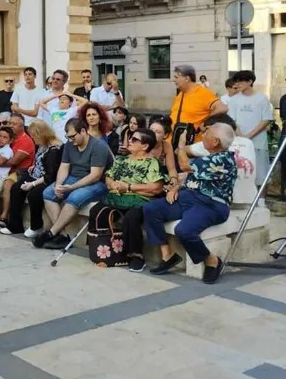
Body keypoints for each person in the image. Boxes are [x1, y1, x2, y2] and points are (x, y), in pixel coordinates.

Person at [143, 122, 237, 284]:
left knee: (184, 231)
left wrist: (181, 145)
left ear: (215, 141)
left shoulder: (223, 160)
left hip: (211, 205)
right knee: (151, 209)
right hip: (188, 197)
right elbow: (192, 177)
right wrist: (176, 188)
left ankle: (211, 261)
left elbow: (185, 166)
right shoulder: (208, 157)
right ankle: (168, 256)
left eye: (206, 135)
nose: (203, 137)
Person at [88, 128, 165, 272]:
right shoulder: (122, 160)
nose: (129, 141)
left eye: (134, 139)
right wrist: (112, 184)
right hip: (117, 197)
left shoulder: (152, 163)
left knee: (131, 218)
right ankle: (103, 249)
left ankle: (136, 256)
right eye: (130, 138)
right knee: (97, 211)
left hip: (140, 199)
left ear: (145, 146)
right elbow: (109, 176)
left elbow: (156, 188)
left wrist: (128, 187)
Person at [34, 118, 110, 249]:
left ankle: (51, 233)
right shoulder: (69, 145)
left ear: (83, 131)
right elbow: (64, 167)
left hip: (97, 182)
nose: (70, 140)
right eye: (67, 137)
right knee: (48, 193)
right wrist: (59, 185)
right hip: (73, 177)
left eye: (73, 136)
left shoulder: (99, 146)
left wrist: (71, 188)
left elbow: (95, 175)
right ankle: (62, 236)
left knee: (74, 198)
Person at [3, 120, 62, 237]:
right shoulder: (42, 144)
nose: (33, 139)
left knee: (34, 194)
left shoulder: (54, 149)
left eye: (34, 136)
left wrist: (33, 184)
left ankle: (36, 226)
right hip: (35, 174)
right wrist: (34, 166)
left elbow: (50, 175)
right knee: (15, 188)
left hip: (47, 179)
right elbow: (41, 160)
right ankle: (15, 225)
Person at [228, 70, 273, 186]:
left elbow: (266, 119)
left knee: (261, 170)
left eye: (240, 81)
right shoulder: (233, 100)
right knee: (241, 171)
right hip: (239, 142)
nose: (237, 85)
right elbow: (232, 120)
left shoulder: (262, 98)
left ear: (250, 82)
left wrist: (250, 135)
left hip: (258, 141)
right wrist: (241, 136)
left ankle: (262, 201)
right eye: (236, 82)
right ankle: (244, 201)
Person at [169, 64, 227, 143]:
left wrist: (204, 122)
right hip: (176, 141)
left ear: (187, 78)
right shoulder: (181, 94)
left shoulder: (203, 92)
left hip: (192, 142)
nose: (174, 80)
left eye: (176, 77)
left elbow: (222, 108)